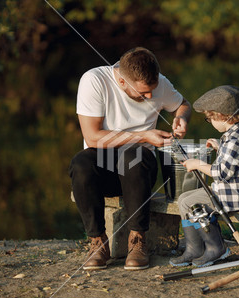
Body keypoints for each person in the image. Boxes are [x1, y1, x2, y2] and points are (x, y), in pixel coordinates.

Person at [69, 47, 191, 271]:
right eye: (143, 93)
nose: (150, 97)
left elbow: (183, 104)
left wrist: (181, 118)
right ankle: (98, 242)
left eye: (152, 91)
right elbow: (93, 137)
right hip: (103, 166)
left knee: (133, 156)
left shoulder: (159, 83)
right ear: (122, 81)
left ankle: (137, 240)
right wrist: (143, 135)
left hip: (140, 171)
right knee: (81, 163)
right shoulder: (94, 80)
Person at [169, 85, 239, 268]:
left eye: (209, 119)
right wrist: (218, 146)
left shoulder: (236, 139)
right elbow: (234, 160)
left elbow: (221, 172)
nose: (210, 122)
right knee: (183, 199)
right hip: (232, 191)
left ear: (221, 116)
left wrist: (197, 164)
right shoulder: (235, 134)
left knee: (192, 203)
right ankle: (194, 248)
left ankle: (217, 248)